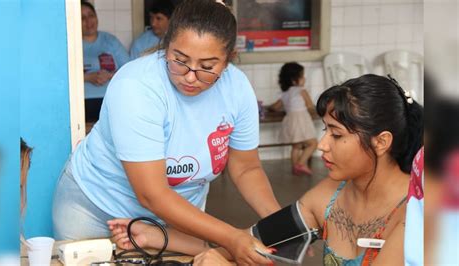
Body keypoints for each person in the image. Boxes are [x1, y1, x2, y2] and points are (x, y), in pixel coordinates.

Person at [109, 74, 424, 266]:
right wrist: (158, 236)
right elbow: (252, 244)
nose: (322, 145)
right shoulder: (329, 196)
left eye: (336, 134)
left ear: (381, 142)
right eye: (325, 130)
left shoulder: (415, 216)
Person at [53, 0, 280, 265]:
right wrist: (231, 237)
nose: (190, 76)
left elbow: (246, 169)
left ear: (229, 59)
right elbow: (152, 194)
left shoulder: (237, 89)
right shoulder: (136, 86)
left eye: (207, 67)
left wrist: (283, 223)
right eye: (180, 61)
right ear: (166, 46)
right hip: (98, 207)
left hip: (180, 215)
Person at [81, 1, 130, 123]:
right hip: (83, 102)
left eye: (91, 15)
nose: (88, 21)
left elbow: (128, 69)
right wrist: (87, 77)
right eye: (82, 18)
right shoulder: (71, 43)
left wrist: (109, 75)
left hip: (111, 100)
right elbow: (62, 77)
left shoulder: (110, 40)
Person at [269, 62, 317, 176]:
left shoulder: (284, 93)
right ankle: (300, 164)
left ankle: (295, 168)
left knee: (296, 146)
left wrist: (269, 108)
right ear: (294, 80)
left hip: (290, 120)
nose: (304, 79)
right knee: (313, 143)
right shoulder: (302, 91)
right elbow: (310, 105)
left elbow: (275, 107)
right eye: (302, 76)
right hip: (301, 120)